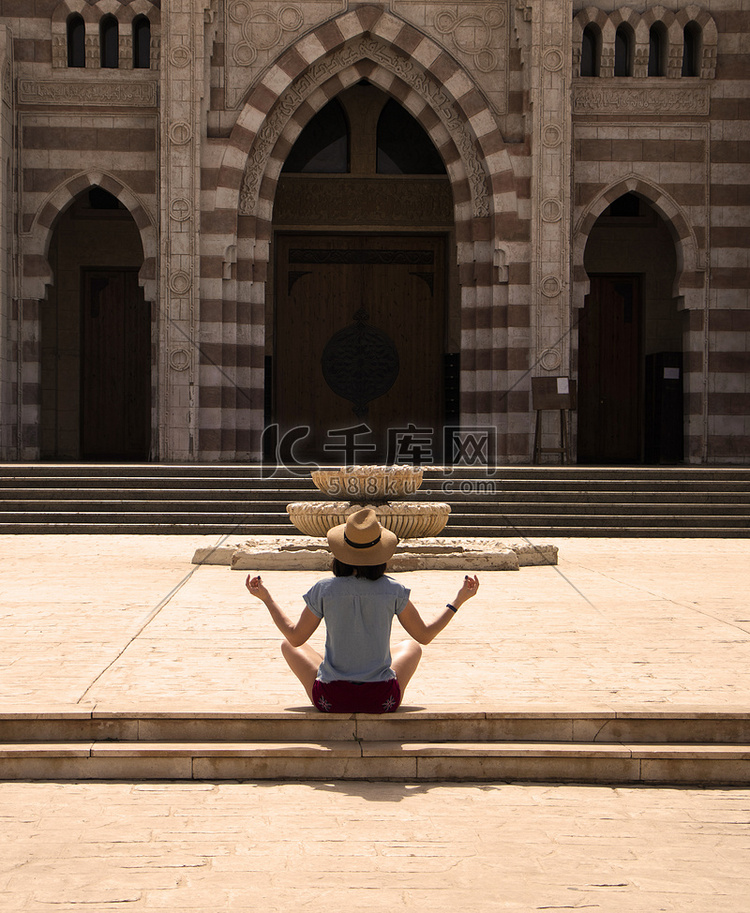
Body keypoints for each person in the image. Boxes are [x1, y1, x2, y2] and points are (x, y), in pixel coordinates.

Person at [245, 507, 479, 713]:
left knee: (289, 646)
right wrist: (458, 600)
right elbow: (425, 635)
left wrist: (266, 598)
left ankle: (340, 665)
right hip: (382, 699)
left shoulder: (324, 589)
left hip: (330, 699)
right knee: (412, 646)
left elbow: (295, 637)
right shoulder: (393, 590)